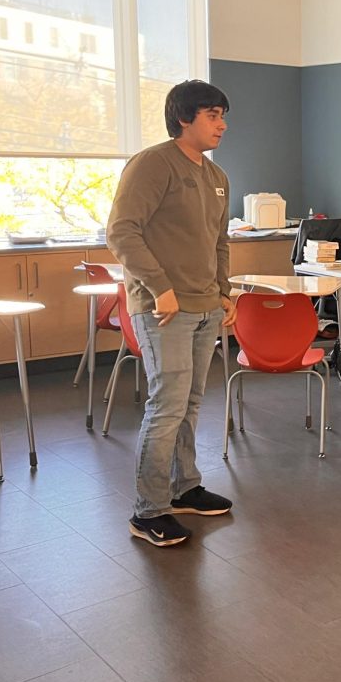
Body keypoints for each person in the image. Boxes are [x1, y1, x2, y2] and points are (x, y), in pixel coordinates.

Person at [107, 79, 237, 547]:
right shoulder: (152, 164)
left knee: (191, 402)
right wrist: (159, 287)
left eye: (223, 115)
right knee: (166, 407)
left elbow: (219, 241)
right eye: (212, 115)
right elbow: (121, 232)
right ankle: (148, 511)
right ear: (184, 117)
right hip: (163, 310)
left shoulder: (217, 177)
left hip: (205, 307)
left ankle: (185, 488)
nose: (222, 124)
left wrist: (224, 292)